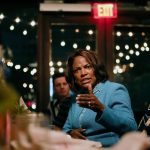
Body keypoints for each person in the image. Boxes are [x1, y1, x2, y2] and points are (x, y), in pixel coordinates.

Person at [62, 49, 137, 147]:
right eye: (77, 70)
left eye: (87, 67)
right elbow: (65, 128)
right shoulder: (76, 97)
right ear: (74, 77)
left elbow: (131, 127)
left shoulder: (115, 90)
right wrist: (70, 133)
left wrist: (101, 108)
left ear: (97, 68)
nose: (83, 73)